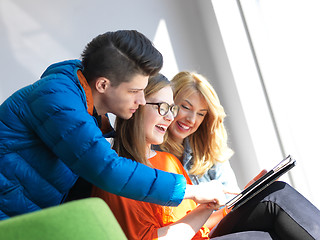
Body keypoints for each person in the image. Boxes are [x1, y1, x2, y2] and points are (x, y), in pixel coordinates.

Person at [0, 30, 212, 220]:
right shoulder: (58, 100)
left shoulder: (84, 107)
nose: (140, 101)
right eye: (134, 91)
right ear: (103, 84)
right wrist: (191, 192)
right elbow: (108, 169)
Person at [92, 73, 320, 240]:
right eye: (163, 108)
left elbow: (199, 224)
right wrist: (207, 206)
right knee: (274, 201)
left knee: (272, 202)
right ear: (136, 106)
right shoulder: (120, 171)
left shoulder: (169, 162)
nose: (170, 117)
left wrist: (224, 201)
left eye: (172, 109)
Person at [159, 71, 240, 199]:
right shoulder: (150, 152)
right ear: (169, 103)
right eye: (186, 107)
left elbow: (233, 200)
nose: (191, 119)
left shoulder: (209, 151)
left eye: (200, 114)